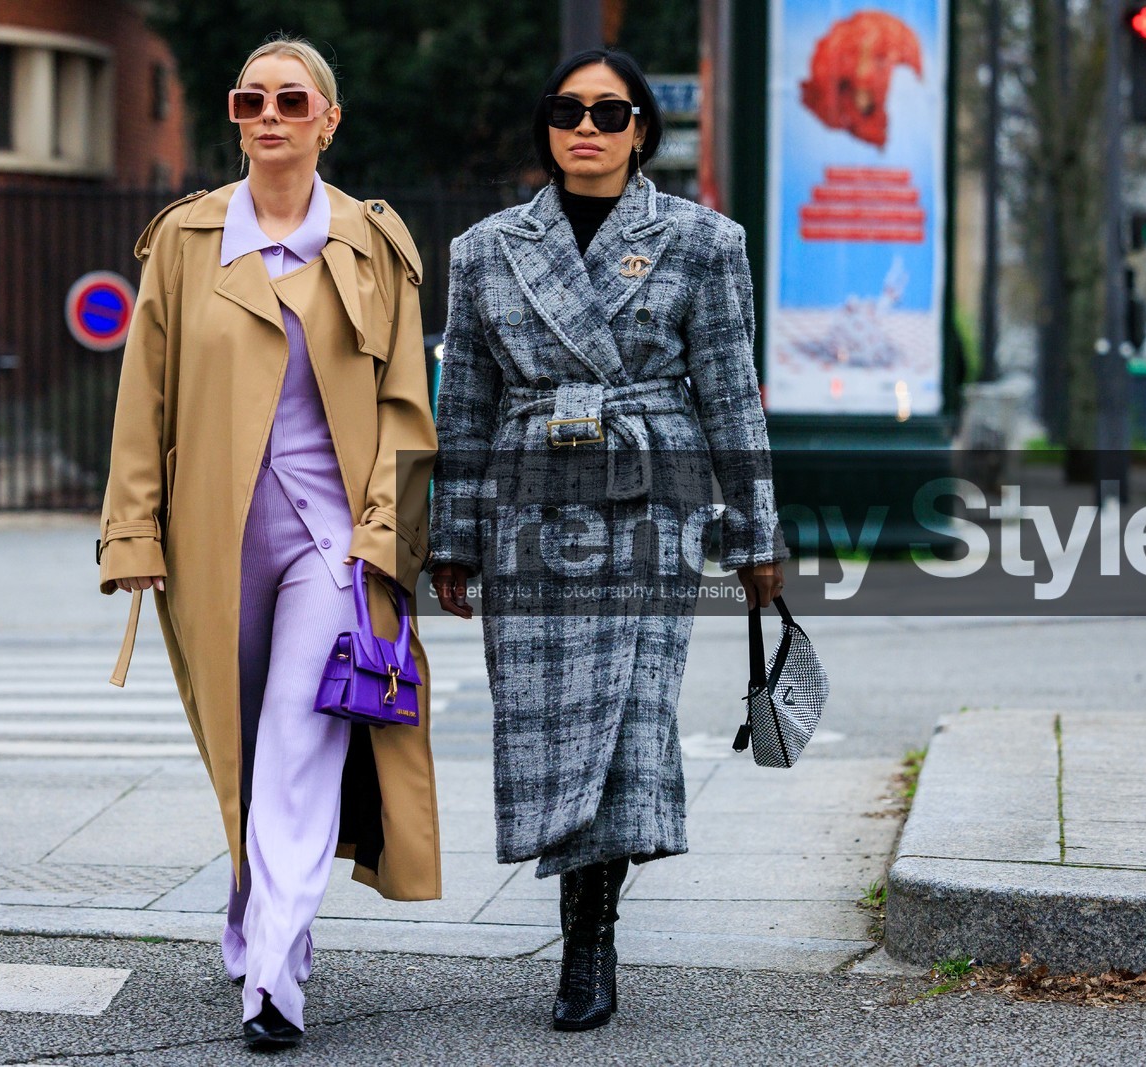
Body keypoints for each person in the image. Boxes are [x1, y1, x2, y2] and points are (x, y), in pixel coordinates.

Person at [428, 48, 786, 1031]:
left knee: (628, 722)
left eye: (608, 110)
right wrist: (451, 538)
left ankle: (589, 937)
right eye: (565, 109)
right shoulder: (485, 249)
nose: (585, 126)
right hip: (529, 510)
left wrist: (755, 533)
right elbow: (463, 404)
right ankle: (578, 912)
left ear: (640, 128)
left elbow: (728, 391)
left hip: (649, 507)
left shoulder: (706, 243)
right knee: (549, 725)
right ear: (544, 126)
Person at [97, 36, 440, 1052]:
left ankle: (276, 974)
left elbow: (407, 413)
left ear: (329, 120)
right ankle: (253, 908)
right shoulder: (187, 241)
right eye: (251, 100)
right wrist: (133, 530)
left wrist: (388, 531)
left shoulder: (376, 247)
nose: (270, 115)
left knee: (298, 740)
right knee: (239, 749)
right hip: (210, 537)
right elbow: (140, 399)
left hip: (330, 544)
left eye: (293, 100)